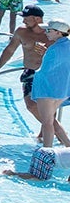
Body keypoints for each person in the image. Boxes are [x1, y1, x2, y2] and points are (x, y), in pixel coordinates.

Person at [22, 18, 70, 148]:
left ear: (58, 32)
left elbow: (43, 71)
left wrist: (44, 54)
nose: (46, 32)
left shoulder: (53, 49)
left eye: (49, 30)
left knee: (47, 123)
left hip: (48, 90)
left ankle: (47, 151)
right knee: (51, 121)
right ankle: (68, 145)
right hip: (63, 90)